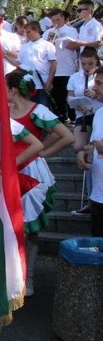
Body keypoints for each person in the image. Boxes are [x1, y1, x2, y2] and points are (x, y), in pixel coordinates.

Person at [6, 69, 74, 295]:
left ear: (13, 90)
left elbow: (67, 136)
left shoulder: (39, 110)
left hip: (31, 174)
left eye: (5, 88)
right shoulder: (4, 111)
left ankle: (28, 277)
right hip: (9, 171)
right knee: (11, 225)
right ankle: (13, 275)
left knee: (29, 227)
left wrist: (43, 152)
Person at [78, 66, 103, 236]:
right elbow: (96, 144)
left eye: (99, 83)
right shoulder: (99, 113)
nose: (94, 87)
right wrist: (84, 152)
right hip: (99, 197)